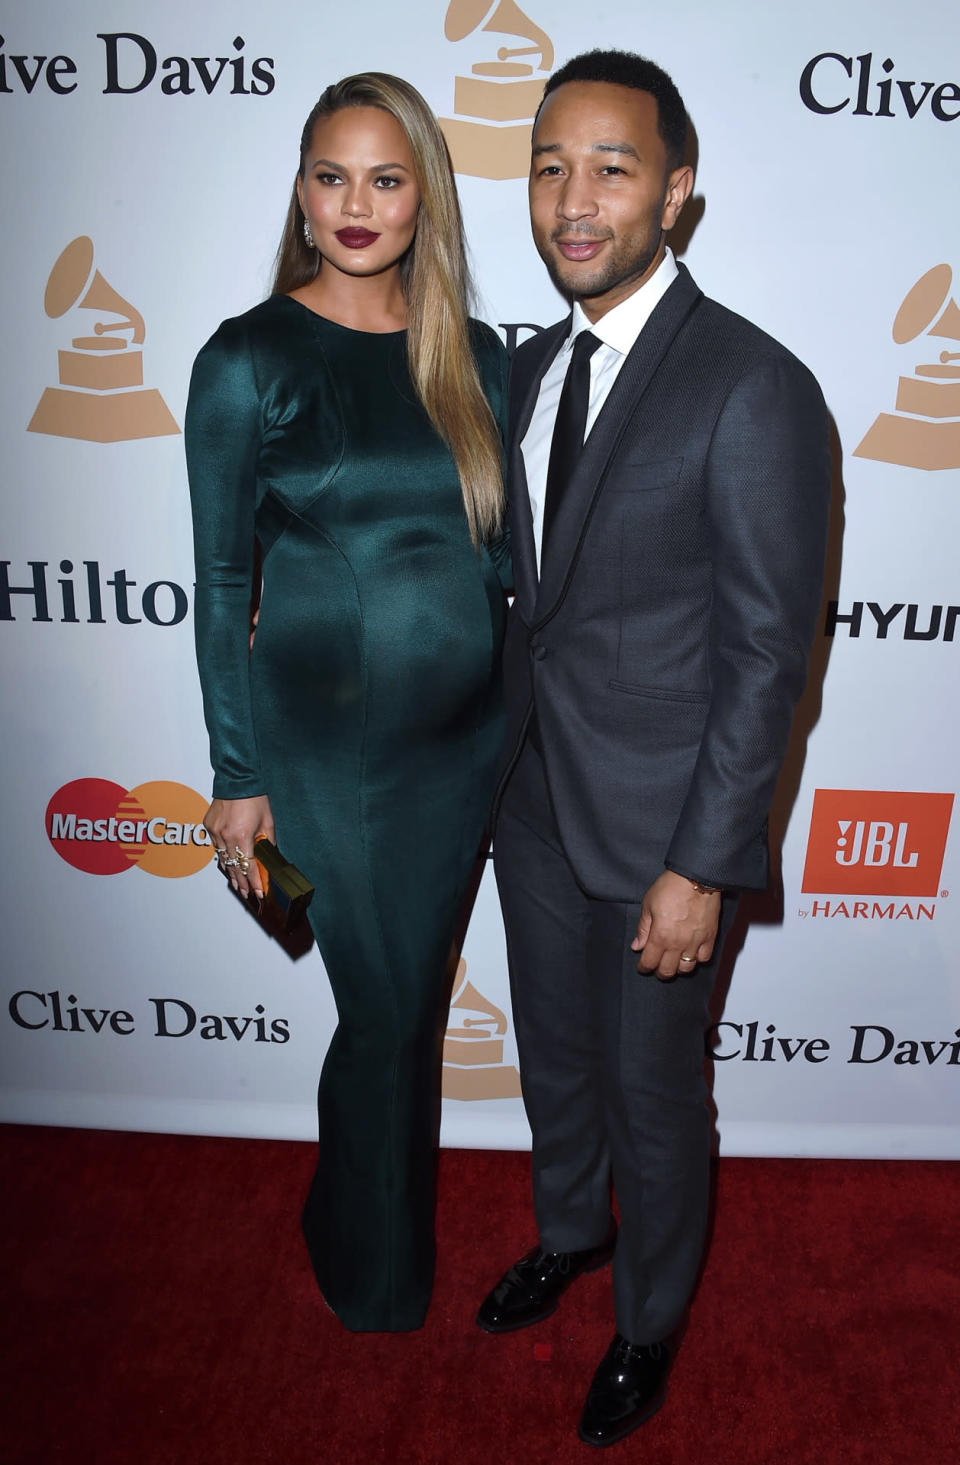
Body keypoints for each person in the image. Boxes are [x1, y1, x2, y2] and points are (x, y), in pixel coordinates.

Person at [476, 49, 831, 1446]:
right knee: (554, 1061)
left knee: (653, 1093)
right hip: (533, 801)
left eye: (612, 167)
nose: (575, 198)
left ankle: (651, 1317)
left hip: (665, 833)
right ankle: (573, 1232)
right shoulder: (529, 367)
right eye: (550, 166)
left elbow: (765, 655)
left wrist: (704, 863)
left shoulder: (754, 385)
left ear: (676, 192)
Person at [185, 72, 510, 1333]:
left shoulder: (475, 356)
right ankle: (374, 1273)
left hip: (463, 750)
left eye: (386, 177)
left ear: (424, 193)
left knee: (405, 1007)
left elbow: (497, 562)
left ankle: (347, 1207)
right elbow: (220, 584)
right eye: (332, 176)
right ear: (301, 192)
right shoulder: (248, 358)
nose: (356, 204)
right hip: (324, 755)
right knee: (382, 1016)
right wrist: (235, 774)